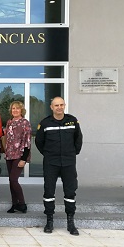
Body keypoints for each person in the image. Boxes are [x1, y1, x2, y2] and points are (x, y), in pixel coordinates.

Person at [35, 97, 83, 236]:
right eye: (56, 105)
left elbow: (78, 139)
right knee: (49, 191)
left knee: (70, 191)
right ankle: (49, 220)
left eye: (61, 105)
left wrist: (73, 153)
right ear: (51, 107)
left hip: (68, 162)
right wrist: (48, 154)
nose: (59, 107)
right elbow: (39, 142)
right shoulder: (45, 123)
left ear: (64, 105)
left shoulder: (72, 121)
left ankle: (70, 222)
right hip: (51, 162)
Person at [4, 101, 31, 214]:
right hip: (9, 154)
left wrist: (24, 159)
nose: (15, 110)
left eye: (17, 108)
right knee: (11, 181)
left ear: (21, 110)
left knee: (13, 179)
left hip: (19, 155)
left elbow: (27, 141)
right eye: (13, 108)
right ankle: (14, 204)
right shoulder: (9, 122)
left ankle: (22, 204)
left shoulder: (25, 123)